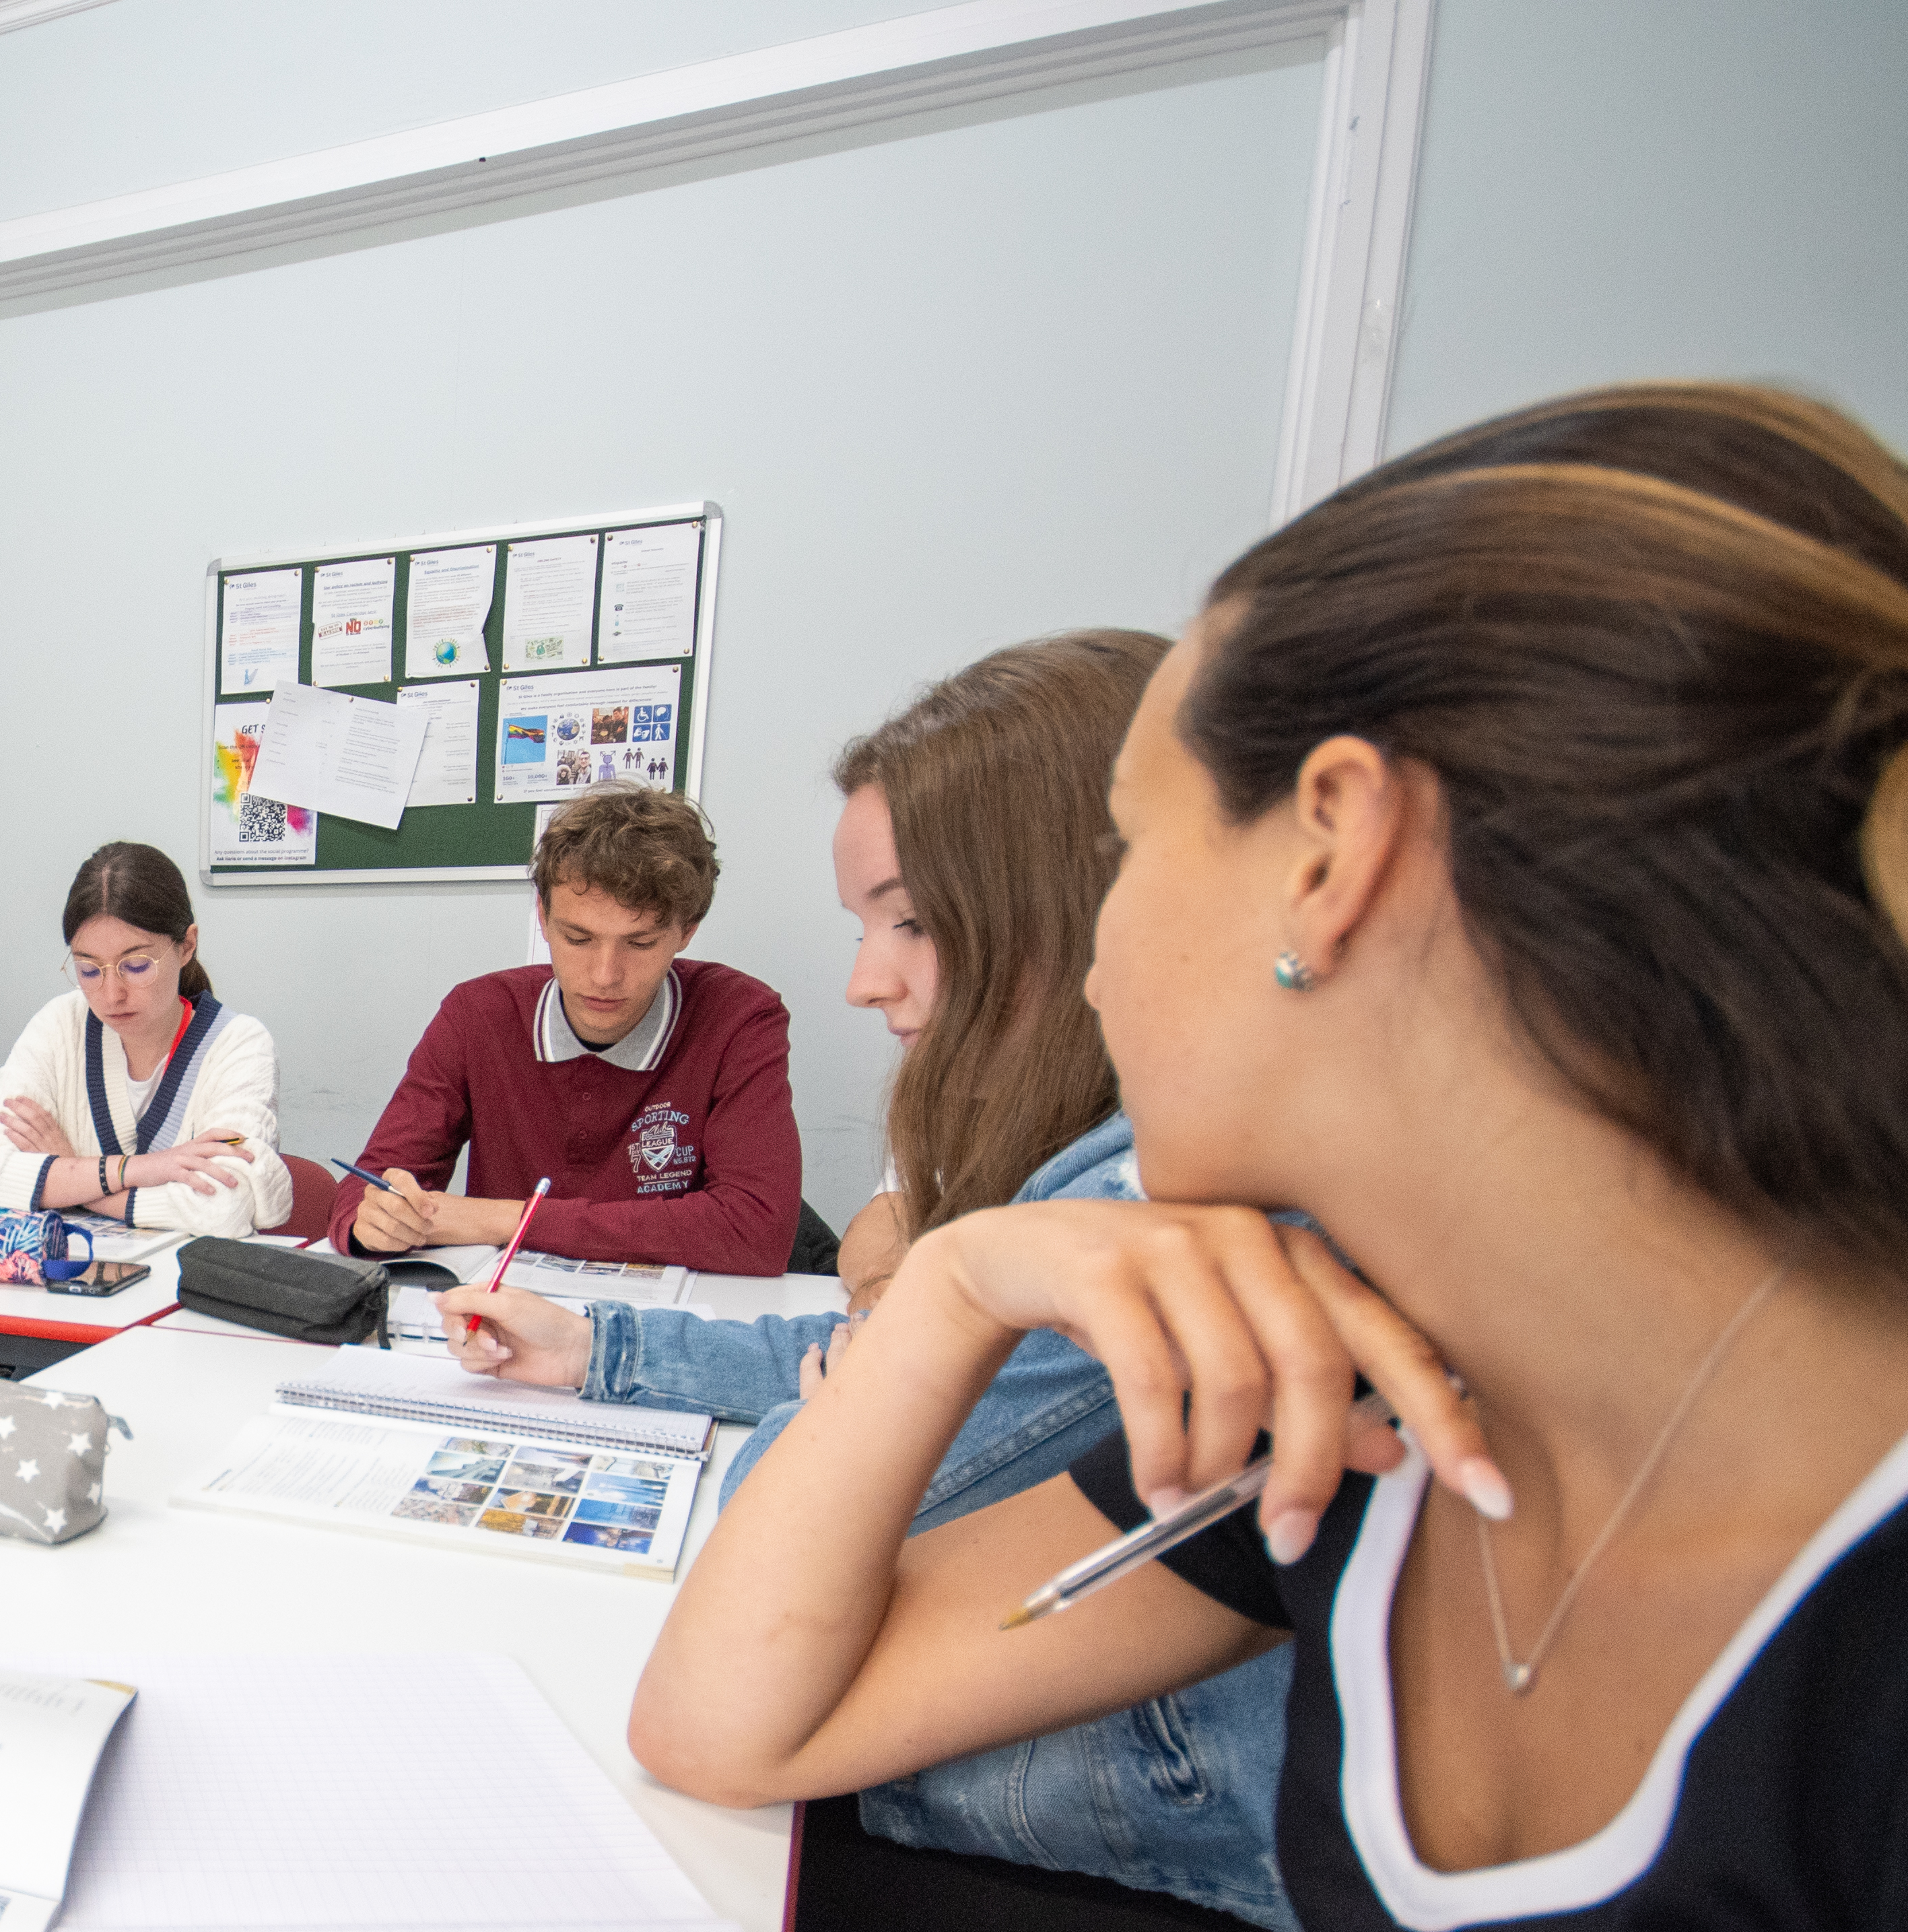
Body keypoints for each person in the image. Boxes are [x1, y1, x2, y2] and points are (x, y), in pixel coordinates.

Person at [636, 382, 1908, 1931]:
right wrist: (963, 1274)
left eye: (1134, 839)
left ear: (1329, 852)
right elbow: (717, 1720)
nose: (1101, 960)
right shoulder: (1365, 1416)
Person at [442, 632, 1297, 1928]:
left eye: (907, 918)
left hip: (1107, 1835)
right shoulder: (1093, 1157)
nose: (865, 977)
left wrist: (877, 1359)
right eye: (861, 923)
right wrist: (594, 1344)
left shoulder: (1158, 1201)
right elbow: (872, 1347)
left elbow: (781, 1520)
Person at [330, 784, 798, 1273]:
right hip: (494, 1324)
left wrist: (505, 1220)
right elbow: (364, 1189)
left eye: (639, 943)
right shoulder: (478, 1013)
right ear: (544, 917)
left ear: (687, 929)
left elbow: (757, 1230)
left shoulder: (740, 1017)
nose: (604, 974)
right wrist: (376, 1219)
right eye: (578, 938)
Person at [0, 840, 294, 1236]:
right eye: (89, 970)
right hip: (67, 1284)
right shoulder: (62, 1024)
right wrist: (136, 1170)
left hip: (185, 1289)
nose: (112, 995)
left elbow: (224, 1207)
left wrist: (75, 1177)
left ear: (187, 946)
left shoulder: (238, 1045)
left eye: (136, 965)